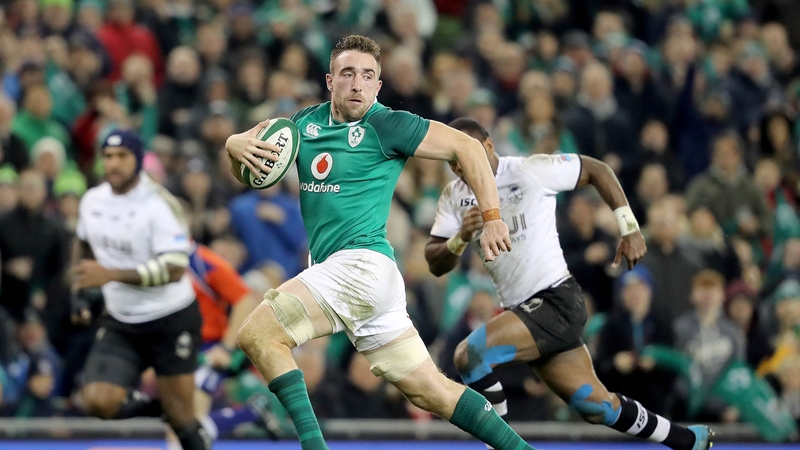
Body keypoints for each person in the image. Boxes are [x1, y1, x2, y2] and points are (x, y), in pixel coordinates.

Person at [226, 35, 533, 450]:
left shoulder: (387, 124)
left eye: (368, 76)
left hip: (359, 266)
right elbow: (248, 163)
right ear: (330, 80)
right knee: (431, 391)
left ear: (378, 86)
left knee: (258, 335)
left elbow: (467, 146)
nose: (358, 84)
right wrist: (233, 145)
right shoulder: (302, 125)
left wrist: (493, 217)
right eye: (348, 74)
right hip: (363, 279)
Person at [425, 117, 712, 450]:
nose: (462, 169)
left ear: (488, 146)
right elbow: (435, 263)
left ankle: (501, 446)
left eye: (467, 157)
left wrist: (630, 227)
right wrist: (460, 238)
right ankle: (689, 439)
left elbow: (598, 170)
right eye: (454, 161)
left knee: (470, 355)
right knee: (598, 407)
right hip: (523, 314)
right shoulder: (454, 195)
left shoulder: (529, 171)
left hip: (555, 299)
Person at [70, 129, 210, 450]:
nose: (114, 164)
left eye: (122, 156)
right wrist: (78, 291)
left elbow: (175, 269)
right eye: (108, 156)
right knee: (96, 401)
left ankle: (179, 414)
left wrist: (110, 274)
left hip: (171, 318)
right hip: (122, 320)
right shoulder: (92, 200)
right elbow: (82, 242)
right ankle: (167, 409)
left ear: (138, 160)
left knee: (184, 423)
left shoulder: (160, 204)